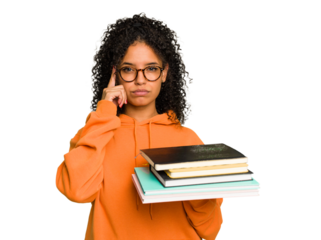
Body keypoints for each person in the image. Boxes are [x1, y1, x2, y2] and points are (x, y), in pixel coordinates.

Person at [55, 10, 224, 240]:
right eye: (128, 69)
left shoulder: (189, 140)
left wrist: (199, 194)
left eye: (151, 68)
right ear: (114, 74)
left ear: (164, 73)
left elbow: (211, 230)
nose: (140, 79)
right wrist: (104, 113)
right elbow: (76, 192)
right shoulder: (95, 132)